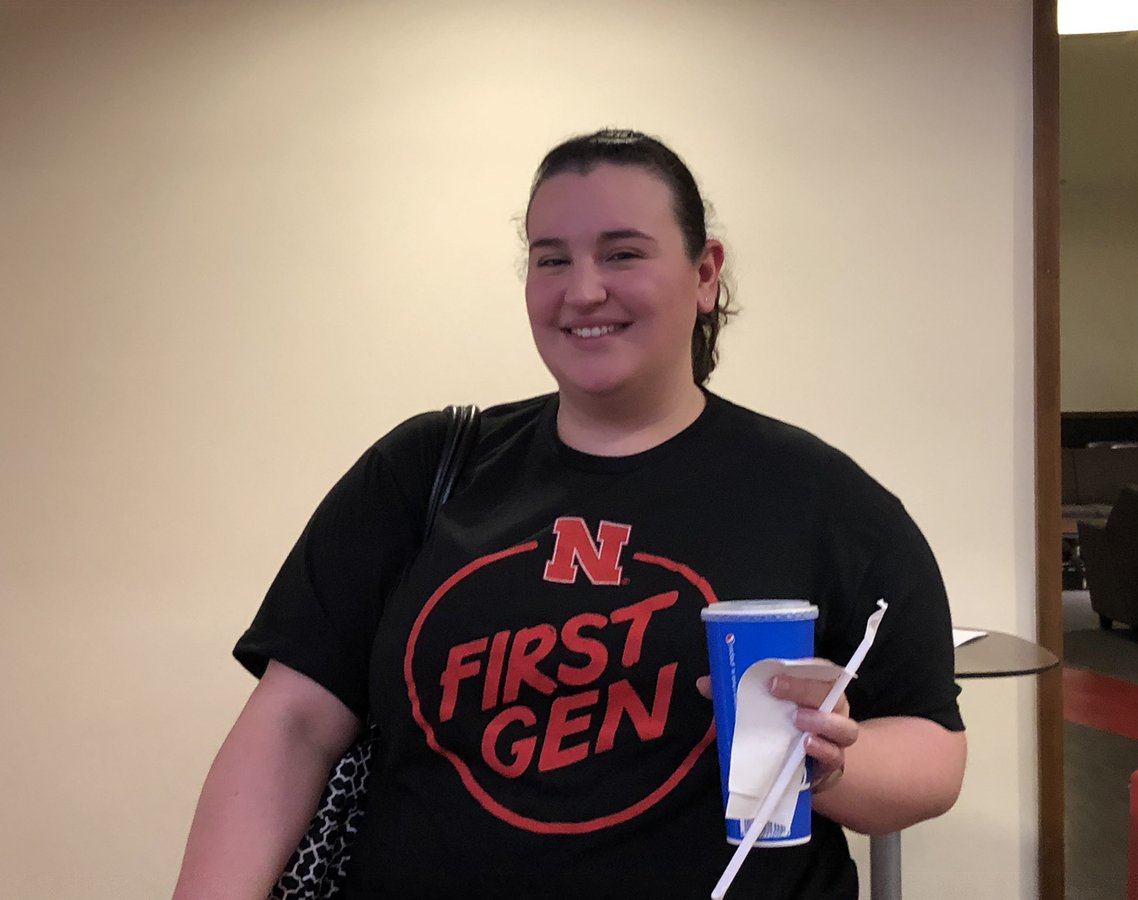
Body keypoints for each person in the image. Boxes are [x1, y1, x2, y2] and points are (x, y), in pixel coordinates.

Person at [173, 129, 966, 900]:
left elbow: (934, 751)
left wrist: (828, 765)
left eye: (622, 253)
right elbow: (294, 725)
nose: (583, 290)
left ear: (704, 274)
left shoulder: (821, 500)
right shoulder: (425, 470)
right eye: (551, 259)